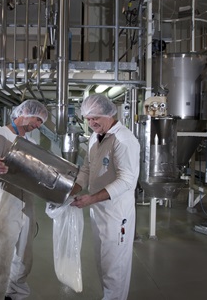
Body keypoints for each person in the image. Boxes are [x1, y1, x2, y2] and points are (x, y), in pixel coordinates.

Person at [0, 99, 48, 300]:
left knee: (24, 259)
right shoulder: (0, 135)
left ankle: (15, 295)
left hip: (27, 206)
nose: (39, 125)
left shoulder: (30, 143)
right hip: (4, 205)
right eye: (37, 119)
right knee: (1, 260)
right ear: (23, 113)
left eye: (41, 122)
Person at [70, 94, 140, 300]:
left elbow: (127, 181)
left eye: (95, 118)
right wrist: (72, 189)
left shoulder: (124, 140)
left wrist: (90, 199)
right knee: (102, 262)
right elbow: (87, 168)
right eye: (88, 119)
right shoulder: (96, 136)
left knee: (114, 266)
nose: (91, 123)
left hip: (117, 213)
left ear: (109, 114)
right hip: (98, 210)